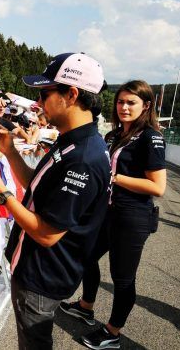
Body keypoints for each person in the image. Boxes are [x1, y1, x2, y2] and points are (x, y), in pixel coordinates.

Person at [0, 52, 111, 349]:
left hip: (42, 275)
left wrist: (0, 190)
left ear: (71, 94)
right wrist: (10, 151)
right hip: (36, 269)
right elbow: (38, 186)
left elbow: (48, 234)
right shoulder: (72, 138)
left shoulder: (84, 157)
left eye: (45, 93)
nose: (37, 102)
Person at [60, 80, 167, 350]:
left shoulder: (150, 137)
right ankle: (86, 306)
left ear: (146, 105)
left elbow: (158, 186)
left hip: (132, 217)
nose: (124, 107)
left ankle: (113, 332)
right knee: (84, 256)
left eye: (131, 102)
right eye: (120, 101)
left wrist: (115, 177)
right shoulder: (114, 135)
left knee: (123, 277)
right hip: (106, 212)